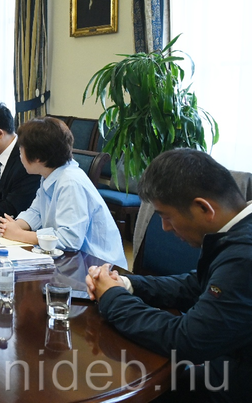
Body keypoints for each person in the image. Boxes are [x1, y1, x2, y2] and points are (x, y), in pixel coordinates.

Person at [86, 149, 252, 403]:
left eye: (166, 216)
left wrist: (112, 297)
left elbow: (186, 340)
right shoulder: (237, 233)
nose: (164, 227)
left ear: (203, 208)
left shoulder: (243, 256)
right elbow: (196, 285)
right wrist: (127, 284)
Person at [0, 116, 127, 267]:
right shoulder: (50, 174)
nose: (20, 155)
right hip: (72, 261)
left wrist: (20, 234)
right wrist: (15, 226)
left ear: (38, 157)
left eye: (21, 150)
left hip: (97, 265)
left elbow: (69, 240)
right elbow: (36, 212)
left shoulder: (70, 182)